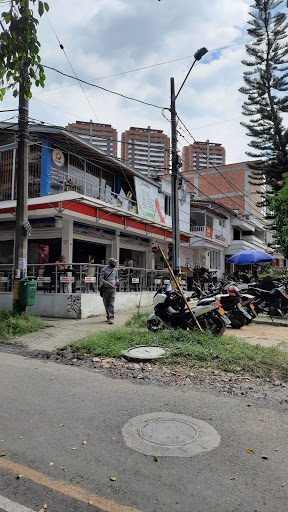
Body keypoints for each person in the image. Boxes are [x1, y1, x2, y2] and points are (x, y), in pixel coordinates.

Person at [99, 258, 120, 324]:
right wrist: (107, 283)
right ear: (110, 263)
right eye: (114, 263)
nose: (115, 264)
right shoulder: (104, 270)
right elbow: (101, 279)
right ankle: (108, 316)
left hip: (113, 288)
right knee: (106, 303)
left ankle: (110, 317)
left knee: (111, 303)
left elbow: (116, 278)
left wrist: (117, 282)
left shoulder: (115, 270)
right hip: (106, 288)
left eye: (115, 263)